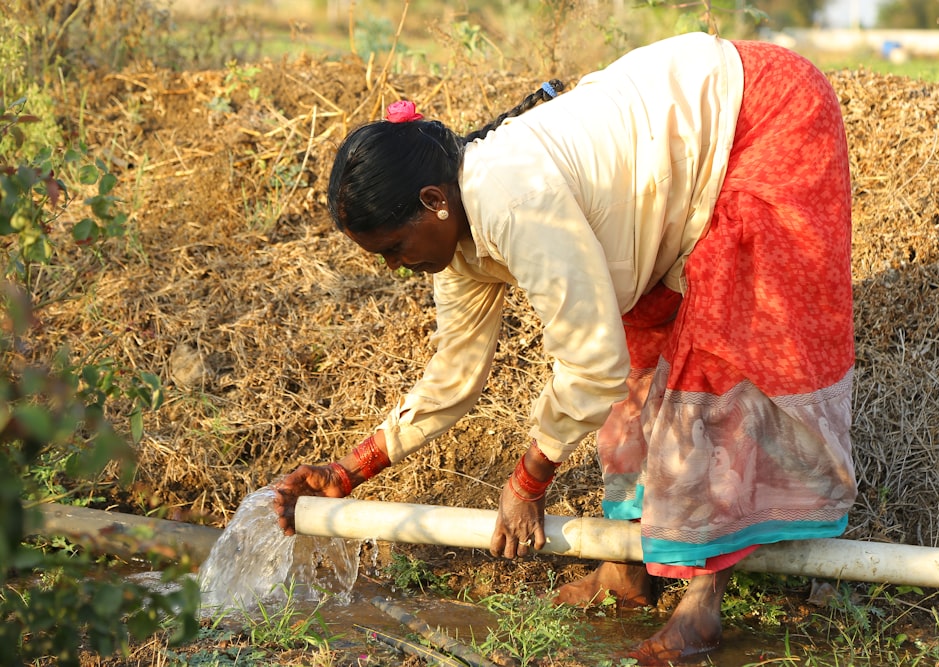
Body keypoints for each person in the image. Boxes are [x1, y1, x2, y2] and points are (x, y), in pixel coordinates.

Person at [273, 31, 857, 664]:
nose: (393, 267)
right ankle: (626, 565)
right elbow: (455, 372)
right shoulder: (456, 237)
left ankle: (702, 603)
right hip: (677, 148)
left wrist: (529, 481)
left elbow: (587, 364)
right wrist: (350, 471)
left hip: (756, 117)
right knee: (642, 358)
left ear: (433, 202)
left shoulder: (515, 201)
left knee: (715, 357)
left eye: (393, 248)